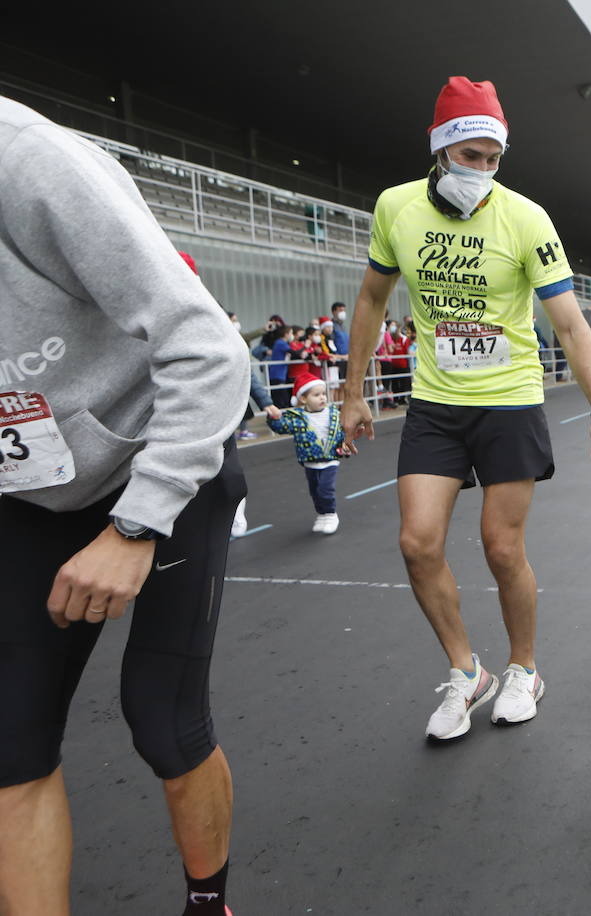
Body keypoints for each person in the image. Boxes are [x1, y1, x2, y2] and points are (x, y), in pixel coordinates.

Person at [0, 95, 248, 915]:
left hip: (162, 457)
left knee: (163, 721)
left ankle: (208, 904)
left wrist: (136, 524)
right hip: (28, 486)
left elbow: (210, 350)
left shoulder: (26, 160)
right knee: (11, 749)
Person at [340, 76, 591, 742]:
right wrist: (354, 390)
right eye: (470, 157)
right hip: (437, 401)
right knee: (417, 543)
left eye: (493, 159)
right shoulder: (396, 208)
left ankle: (523, 667)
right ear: (440, 150)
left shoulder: (525, 218)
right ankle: (466, 671)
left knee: (502, 548)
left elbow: (571, 324)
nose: (483, 171)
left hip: (510, 401)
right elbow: (371, 301)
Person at [264, 375, 353, 534]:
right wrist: (274, 419)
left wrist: (345, 445)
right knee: (315, 491)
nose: (322, 398)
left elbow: (341, 432)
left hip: (330, 459)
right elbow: (282, 427)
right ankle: (322, 514)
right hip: (310, 461)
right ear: (303, 399)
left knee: (325, 489)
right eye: (316, 395)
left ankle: (331, 514)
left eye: (323, 394)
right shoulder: (297, 417)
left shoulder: (333, 413)